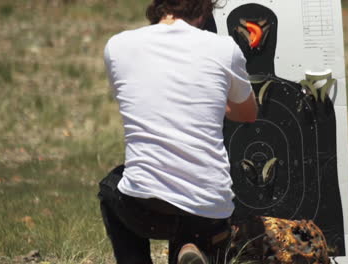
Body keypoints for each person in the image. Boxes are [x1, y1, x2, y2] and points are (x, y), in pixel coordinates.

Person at [97, 0, 258, 263]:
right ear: (204, 10)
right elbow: (248, 114)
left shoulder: (118, 46)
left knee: (111, 187)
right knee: (193, 215)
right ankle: (189, 245)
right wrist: (216, 99)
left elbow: (136, 99)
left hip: (145, 209)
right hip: (209, 212)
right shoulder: (225, 49)